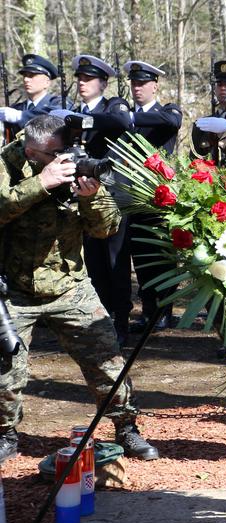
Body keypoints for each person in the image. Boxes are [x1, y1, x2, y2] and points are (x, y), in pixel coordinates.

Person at [0, 115, 158, 463]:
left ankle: (126, 427)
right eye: (55, 153)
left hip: (70, 286)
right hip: (15, 290)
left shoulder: (75, 166)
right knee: (4, 371)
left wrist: (92, 197)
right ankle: (5, 433)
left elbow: (107, 229)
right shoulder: (6, 163)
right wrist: (40, 183)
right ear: (32, 152)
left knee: (108, 363)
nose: (65, 158)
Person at [60, 55, 134, 343]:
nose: (82, 83)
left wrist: (85, 120)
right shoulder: (74, 112)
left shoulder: (112, 106)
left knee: (115, 260)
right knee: (93, 262)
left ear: (103, 83)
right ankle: (100, 319)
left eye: (88, 79)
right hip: (83, 196)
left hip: (112, 195)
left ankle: (122, 321)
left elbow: (122, 122)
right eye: (79, 78)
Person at [123, 60, 183, 333]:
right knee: (141, 259)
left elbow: (172, 121)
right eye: (134, 83)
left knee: (161, 256)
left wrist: (132, 118)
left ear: (155, 86)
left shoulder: (165, 112)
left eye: (143, 83)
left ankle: (165, 311)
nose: (137, 88)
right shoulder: (125, 116)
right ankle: (148, 311)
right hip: (133, 195)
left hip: (159, 195)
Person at [0, 54, 70, 137]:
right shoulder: (16, 108)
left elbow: (52, 115)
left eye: (31, 76)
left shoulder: (58, 103)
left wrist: (21, 116)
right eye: (25, 76)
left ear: (47, 82)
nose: (26, 79)